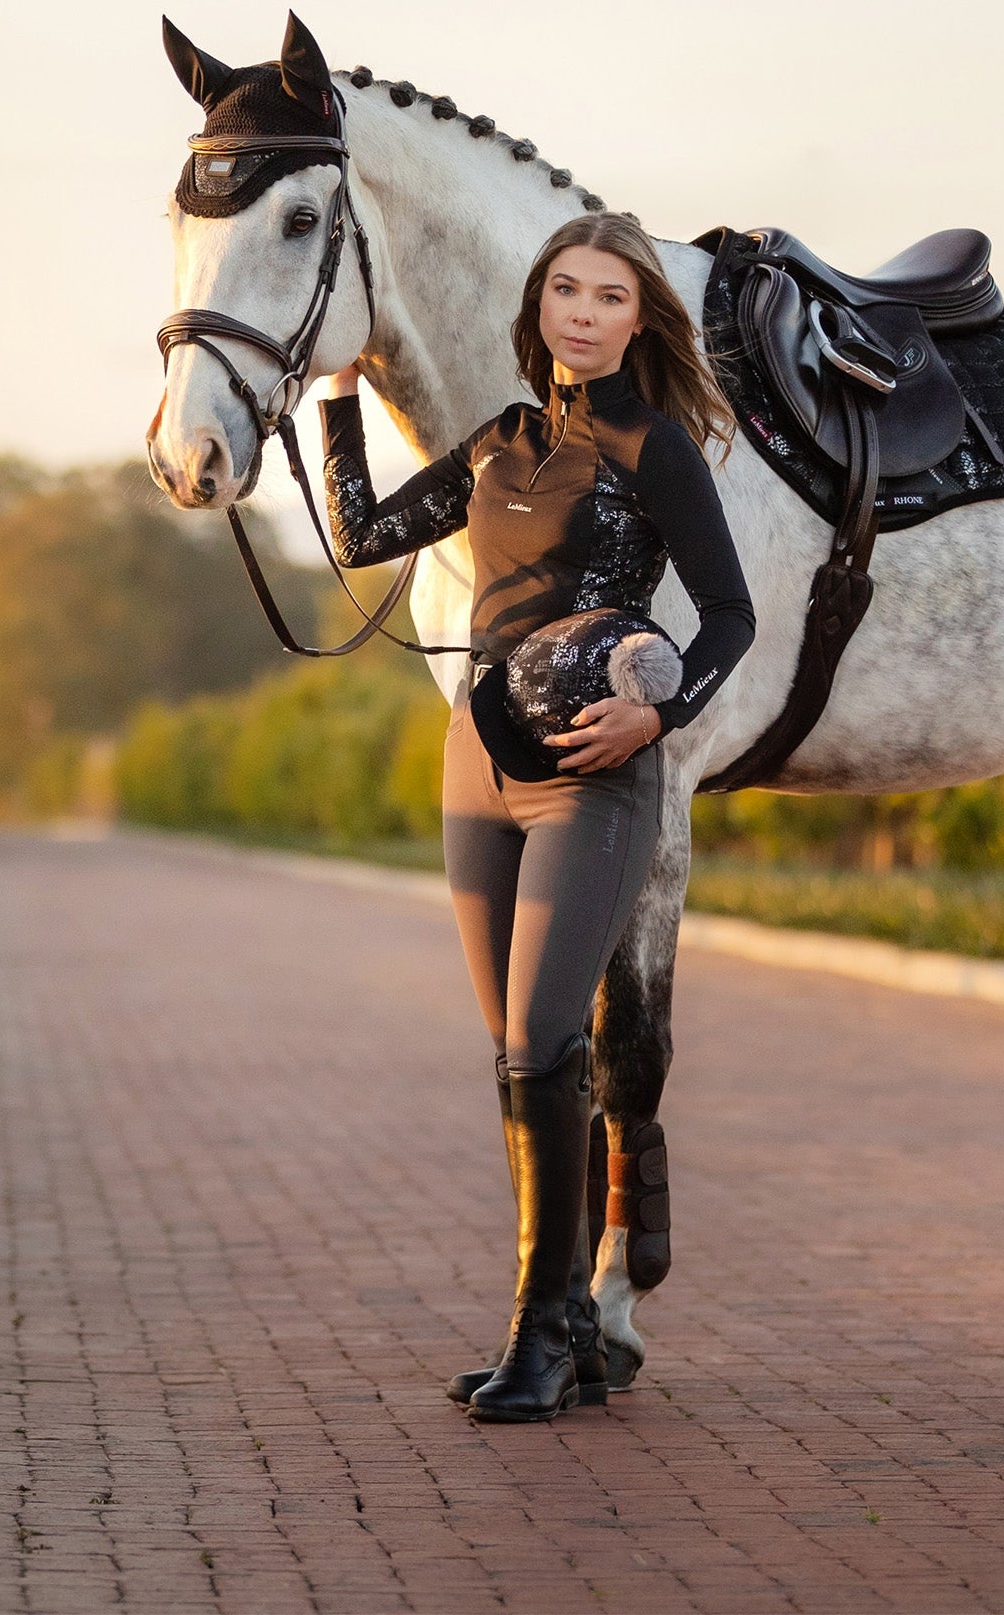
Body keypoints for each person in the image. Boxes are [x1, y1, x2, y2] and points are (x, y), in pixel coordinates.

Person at [319, 212, 755, 1422]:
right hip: (476, 763)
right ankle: (561, 1323)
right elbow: (362, 535)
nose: (581, 312)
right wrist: (339, 398)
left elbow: (729, 617)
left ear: (638, 318)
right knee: (517, 1058)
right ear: (540, 306)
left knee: (543, 1041)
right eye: (565, 289)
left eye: (608, 295)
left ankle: (537, 1340)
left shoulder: (653, 446)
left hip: (588, 777)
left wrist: (656, 723)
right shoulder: (502, 440)